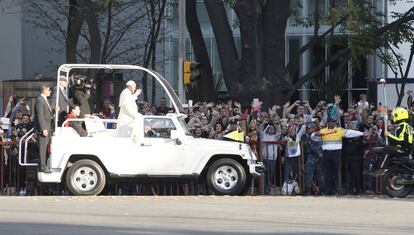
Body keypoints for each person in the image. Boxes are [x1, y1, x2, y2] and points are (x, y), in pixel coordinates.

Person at [315, 117, 364, 195]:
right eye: (332, 122)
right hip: (326, 153)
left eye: (335, 122)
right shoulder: (323, 131)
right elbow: (313, 137)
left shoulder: (339, 130)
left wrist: (362, 133)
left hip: (336, 153)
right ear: (328, 123)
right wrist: (314, 134)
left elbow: (350, 132)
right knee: (327, 172)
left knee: (334, 172)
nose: (334, 123)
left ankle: (334, 190)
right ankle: (328, 191)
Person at [34, 85, 52, 173]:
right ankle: (42, 166)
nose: (50, 91)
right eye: (49, 90)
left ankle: (44, 165)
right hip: (44, 129)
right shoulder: (40, 100)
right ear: (44, 90)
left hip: (48, 128)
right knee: (42, 148)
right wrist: (43, 128)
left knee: (46, 148)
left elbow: (47, 113)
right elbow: (40, 115)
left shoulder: (45, 100)